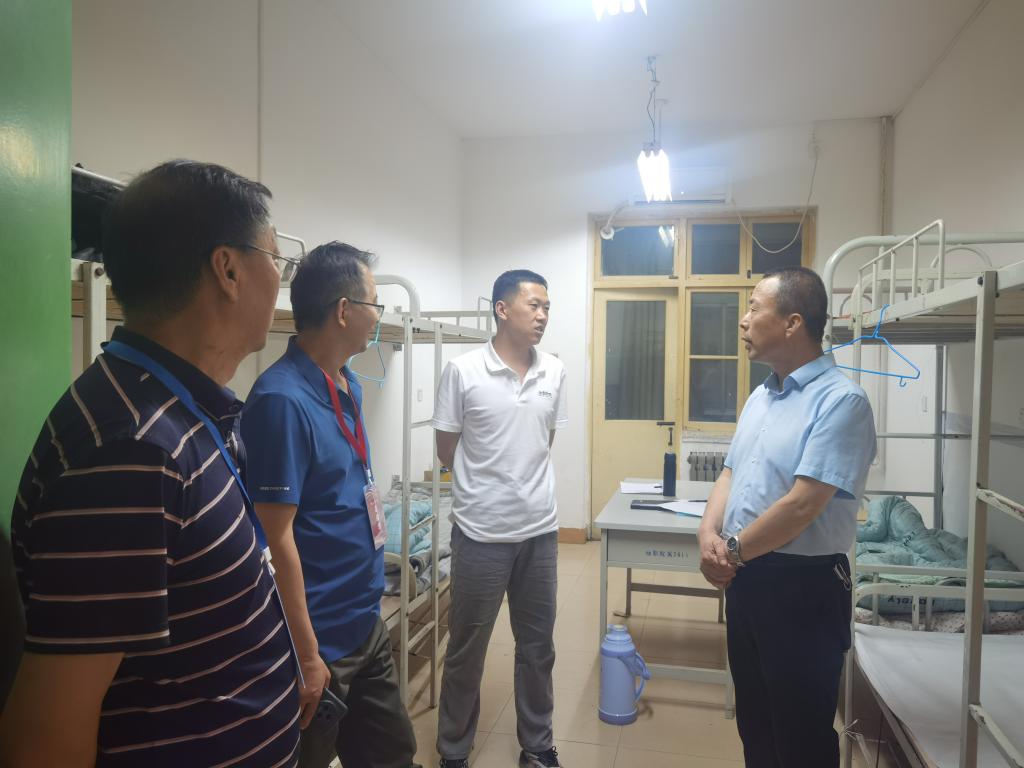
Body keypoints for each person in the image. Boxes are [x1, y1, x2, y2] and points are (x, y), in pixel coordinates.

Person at [0, 160, 302, 767]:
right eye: (277, 257)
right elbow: (46, 739)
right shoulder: (132, 451)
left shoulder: (186, 410)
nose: (281, 279)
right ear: (228, 270)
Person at [240, 242, 420, 768]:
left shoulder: (347, 383)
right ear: (344, 310)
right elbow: (275, 540)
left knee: (394, 753)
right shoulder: (281, 401)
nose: (378, 317)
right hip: (318, 639)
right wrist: (308, 655)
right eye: (374, 304)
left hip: (364, 619)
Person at [697, 266, 877, 768]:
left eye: (754, 308)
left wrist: (730, 551)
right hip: (748, 578)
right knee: (755, 725)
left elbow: (803, 504)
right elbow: (730, 472)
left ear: (793, 323)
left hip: (803, 587)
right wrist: (708, 532)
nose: (743, 320)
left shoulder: (841, 401)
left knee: (801, 737)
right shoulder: (762, 396)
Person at [434, 269, 568, 768]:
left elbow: (543, 441)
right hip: (480, 534)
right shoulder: (463, 370)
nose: (543, 315)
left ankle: (538, 746)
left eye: (547, 307)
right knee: (467, 649)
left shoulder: (554, 371)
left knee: (538, 648)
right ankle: (453, 751)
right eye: (534, 305)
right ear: (502, 309)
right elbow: (447, 449)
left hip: (540, 533)